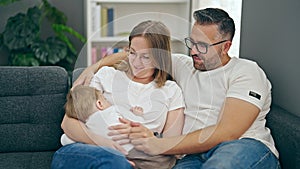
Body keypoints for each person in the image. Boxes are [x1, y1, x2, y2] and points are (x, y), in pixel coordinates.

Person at [73, 8, 281, 169]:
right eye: (191, 42)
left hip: (241, 146)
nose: (193, 51)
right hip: (190, 156)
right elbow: (140, 53)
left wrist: (159, 145)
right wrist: (95, 66)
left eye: (202, 46)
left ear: (226, 46)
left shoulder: (246, 71)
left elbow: (228, 132)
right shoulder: (184, 64)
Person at [51, 20, 185, 169]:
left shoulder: (171, 91)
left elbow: (171, 145)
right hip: (89, 149)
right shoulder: (106, 75)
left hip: (140, 160)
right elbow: (68, 124)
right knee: (114, 162)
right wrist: (107, 145)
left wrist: (147, 136)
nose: (136, 62)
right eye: (132, 53)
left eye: (145, 57)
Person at [60, 85, 179, 169]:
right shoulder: (111, 111)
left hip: (127, 156)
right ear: (100, 104)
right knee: (165, 158)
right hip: (141, 150)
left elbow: (66, 139)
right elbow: (134, 124)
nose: (108, 102)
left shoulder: (87, 127)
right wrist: (137, 115)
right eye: (105, 99)